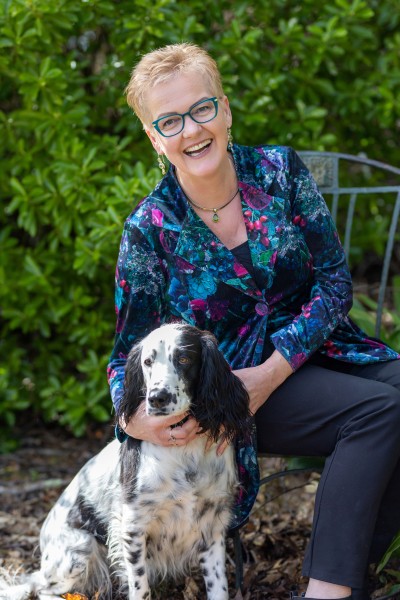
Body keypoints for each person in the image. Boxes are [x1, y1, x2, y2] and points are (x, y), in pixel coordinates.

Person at [107, 42, 400, 600]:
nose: (191, 130)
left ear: (225, 109)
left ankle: (357, 573)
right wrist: (132, 420)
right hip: (229, 391)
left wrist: (276, 366)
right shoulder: (148, 230)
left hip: (313, 353)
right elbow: (126, 354)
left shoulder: (281, 171)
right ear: (154, 138)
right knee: (381, 411)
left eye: (201, 109)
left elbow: (336, 283)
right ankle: (330, 590)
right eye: (170, 120)